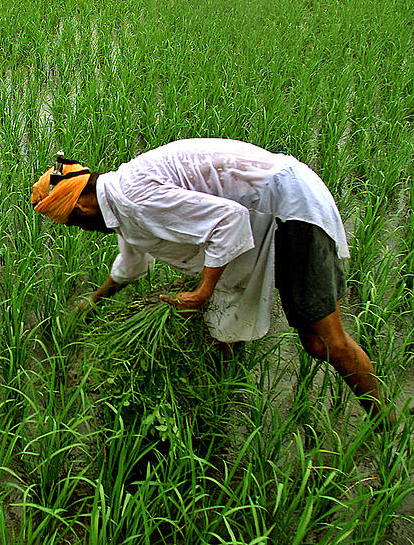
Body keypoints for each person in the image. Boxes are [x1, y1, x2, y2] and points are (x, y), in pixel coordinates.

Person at [31, 138, 393, 427]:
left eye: (74, 224)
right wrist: (95, 301)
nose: (83, 230)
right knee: (221, 328)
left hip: (290, 206)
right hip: (268, 209)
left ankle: (385, 424)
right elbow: (131, 262)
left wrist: (202, 292)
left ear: (80, 209)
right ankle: (221, 399)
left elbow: (228, 220)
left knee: (322, 341)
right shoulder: (119, 200)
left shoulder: (133, 199)